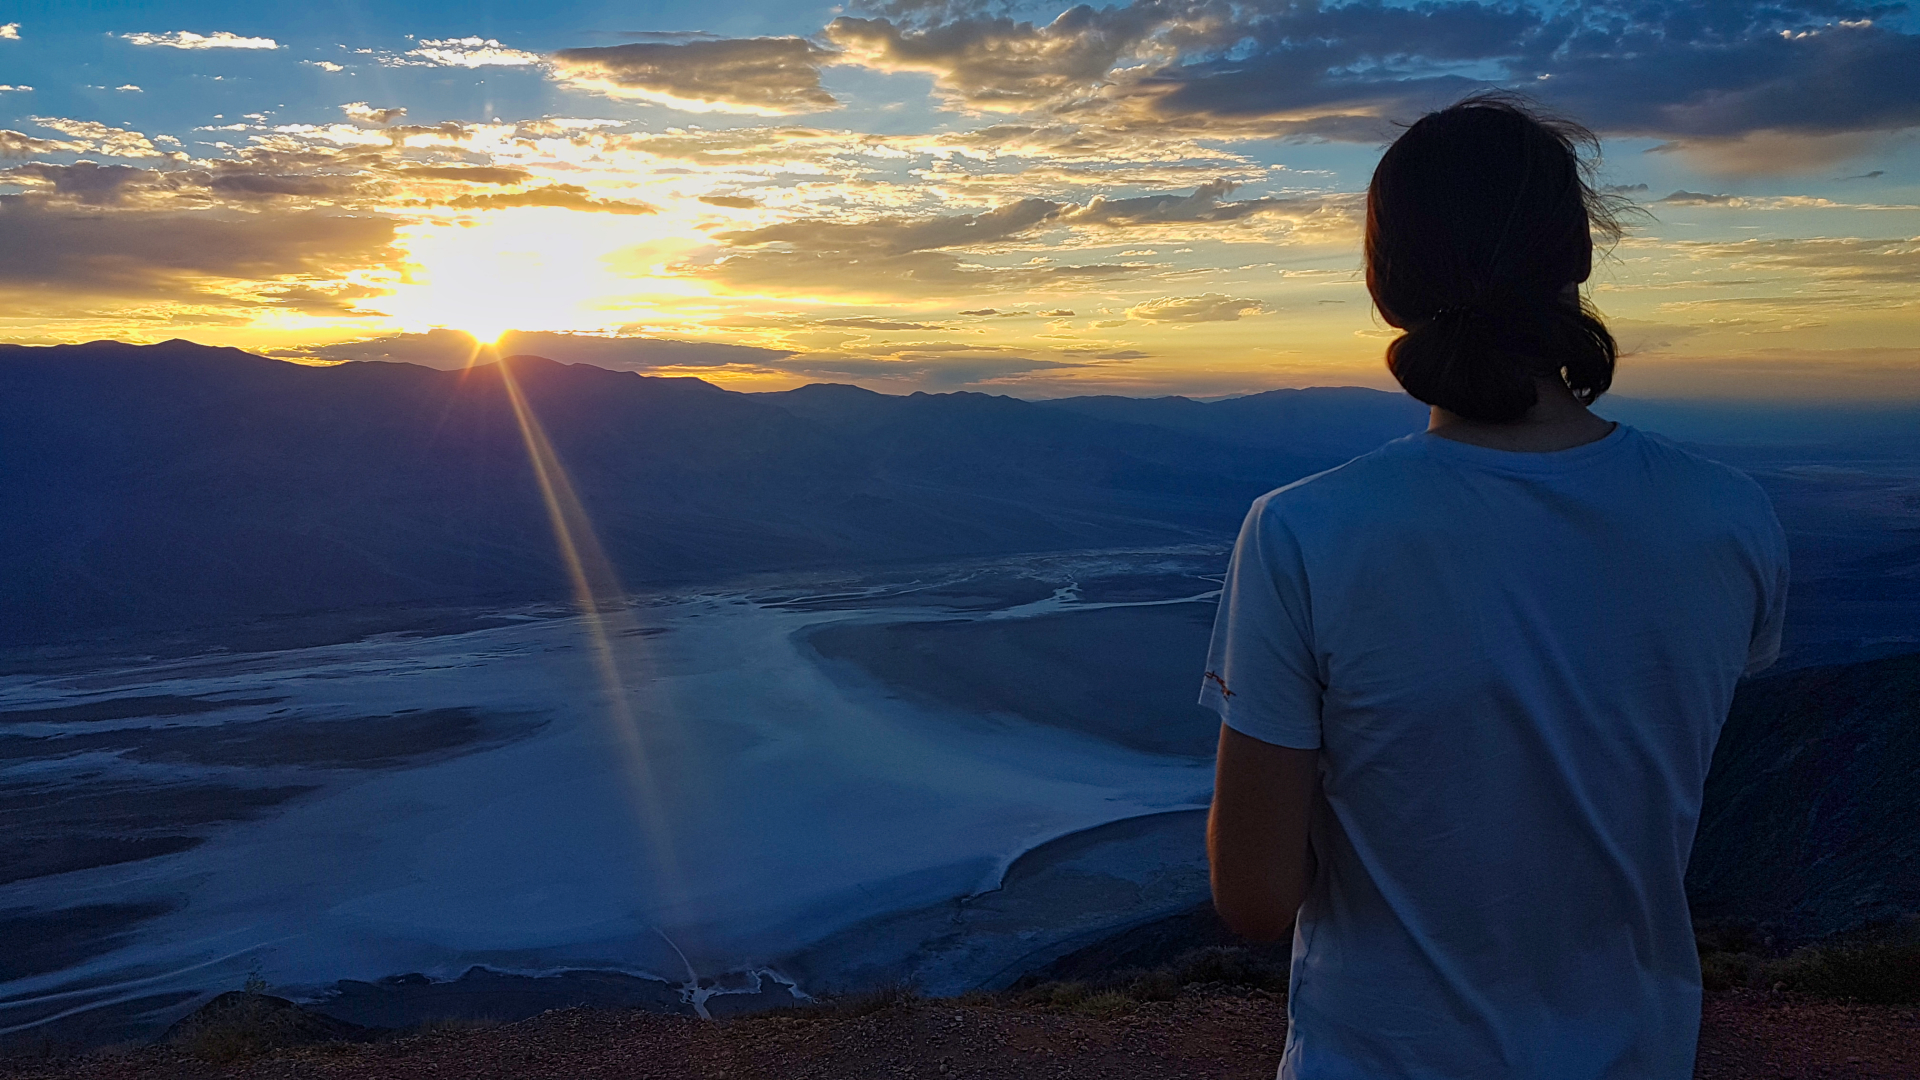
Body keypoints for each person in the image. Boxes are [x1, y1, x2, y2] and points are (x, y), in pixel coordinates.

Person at [1200, 94, 1790, 1080]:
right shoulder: (1733, 519)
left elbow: (1255, 896)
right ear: (1579, 262)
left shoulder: (1303, 531)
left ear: (1385, 288)